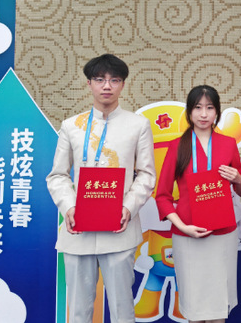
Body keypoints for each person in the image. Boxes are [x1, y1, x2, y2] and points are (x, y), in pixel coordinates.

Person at [46, 53, 156, 323]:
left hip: (119, 230)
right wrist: (69, 206)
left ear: (123, 84)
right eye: (100, 79)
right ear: (89, 84)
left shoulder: (138, 125)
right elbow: (57, 175)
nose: (107, 86)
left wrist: (128, 207)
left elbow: (146, 174)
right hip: (78, 230)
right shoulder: (71, 126)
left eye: (114, 80)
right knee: (79, 311)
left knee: (122, 310)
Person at [155, 85, 241, 323]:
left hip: (223, 234)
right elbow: (162, 196)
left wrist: (238, 179)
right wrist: (182, 226)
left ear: (217, 112)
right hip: (188, 234)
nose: (204, 114)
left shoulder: (228, 144)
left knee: (218, 304)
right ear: (189, 112)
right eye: (198, 108)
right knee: (194, 304)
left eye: (209, 108)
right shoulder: (177, 146)